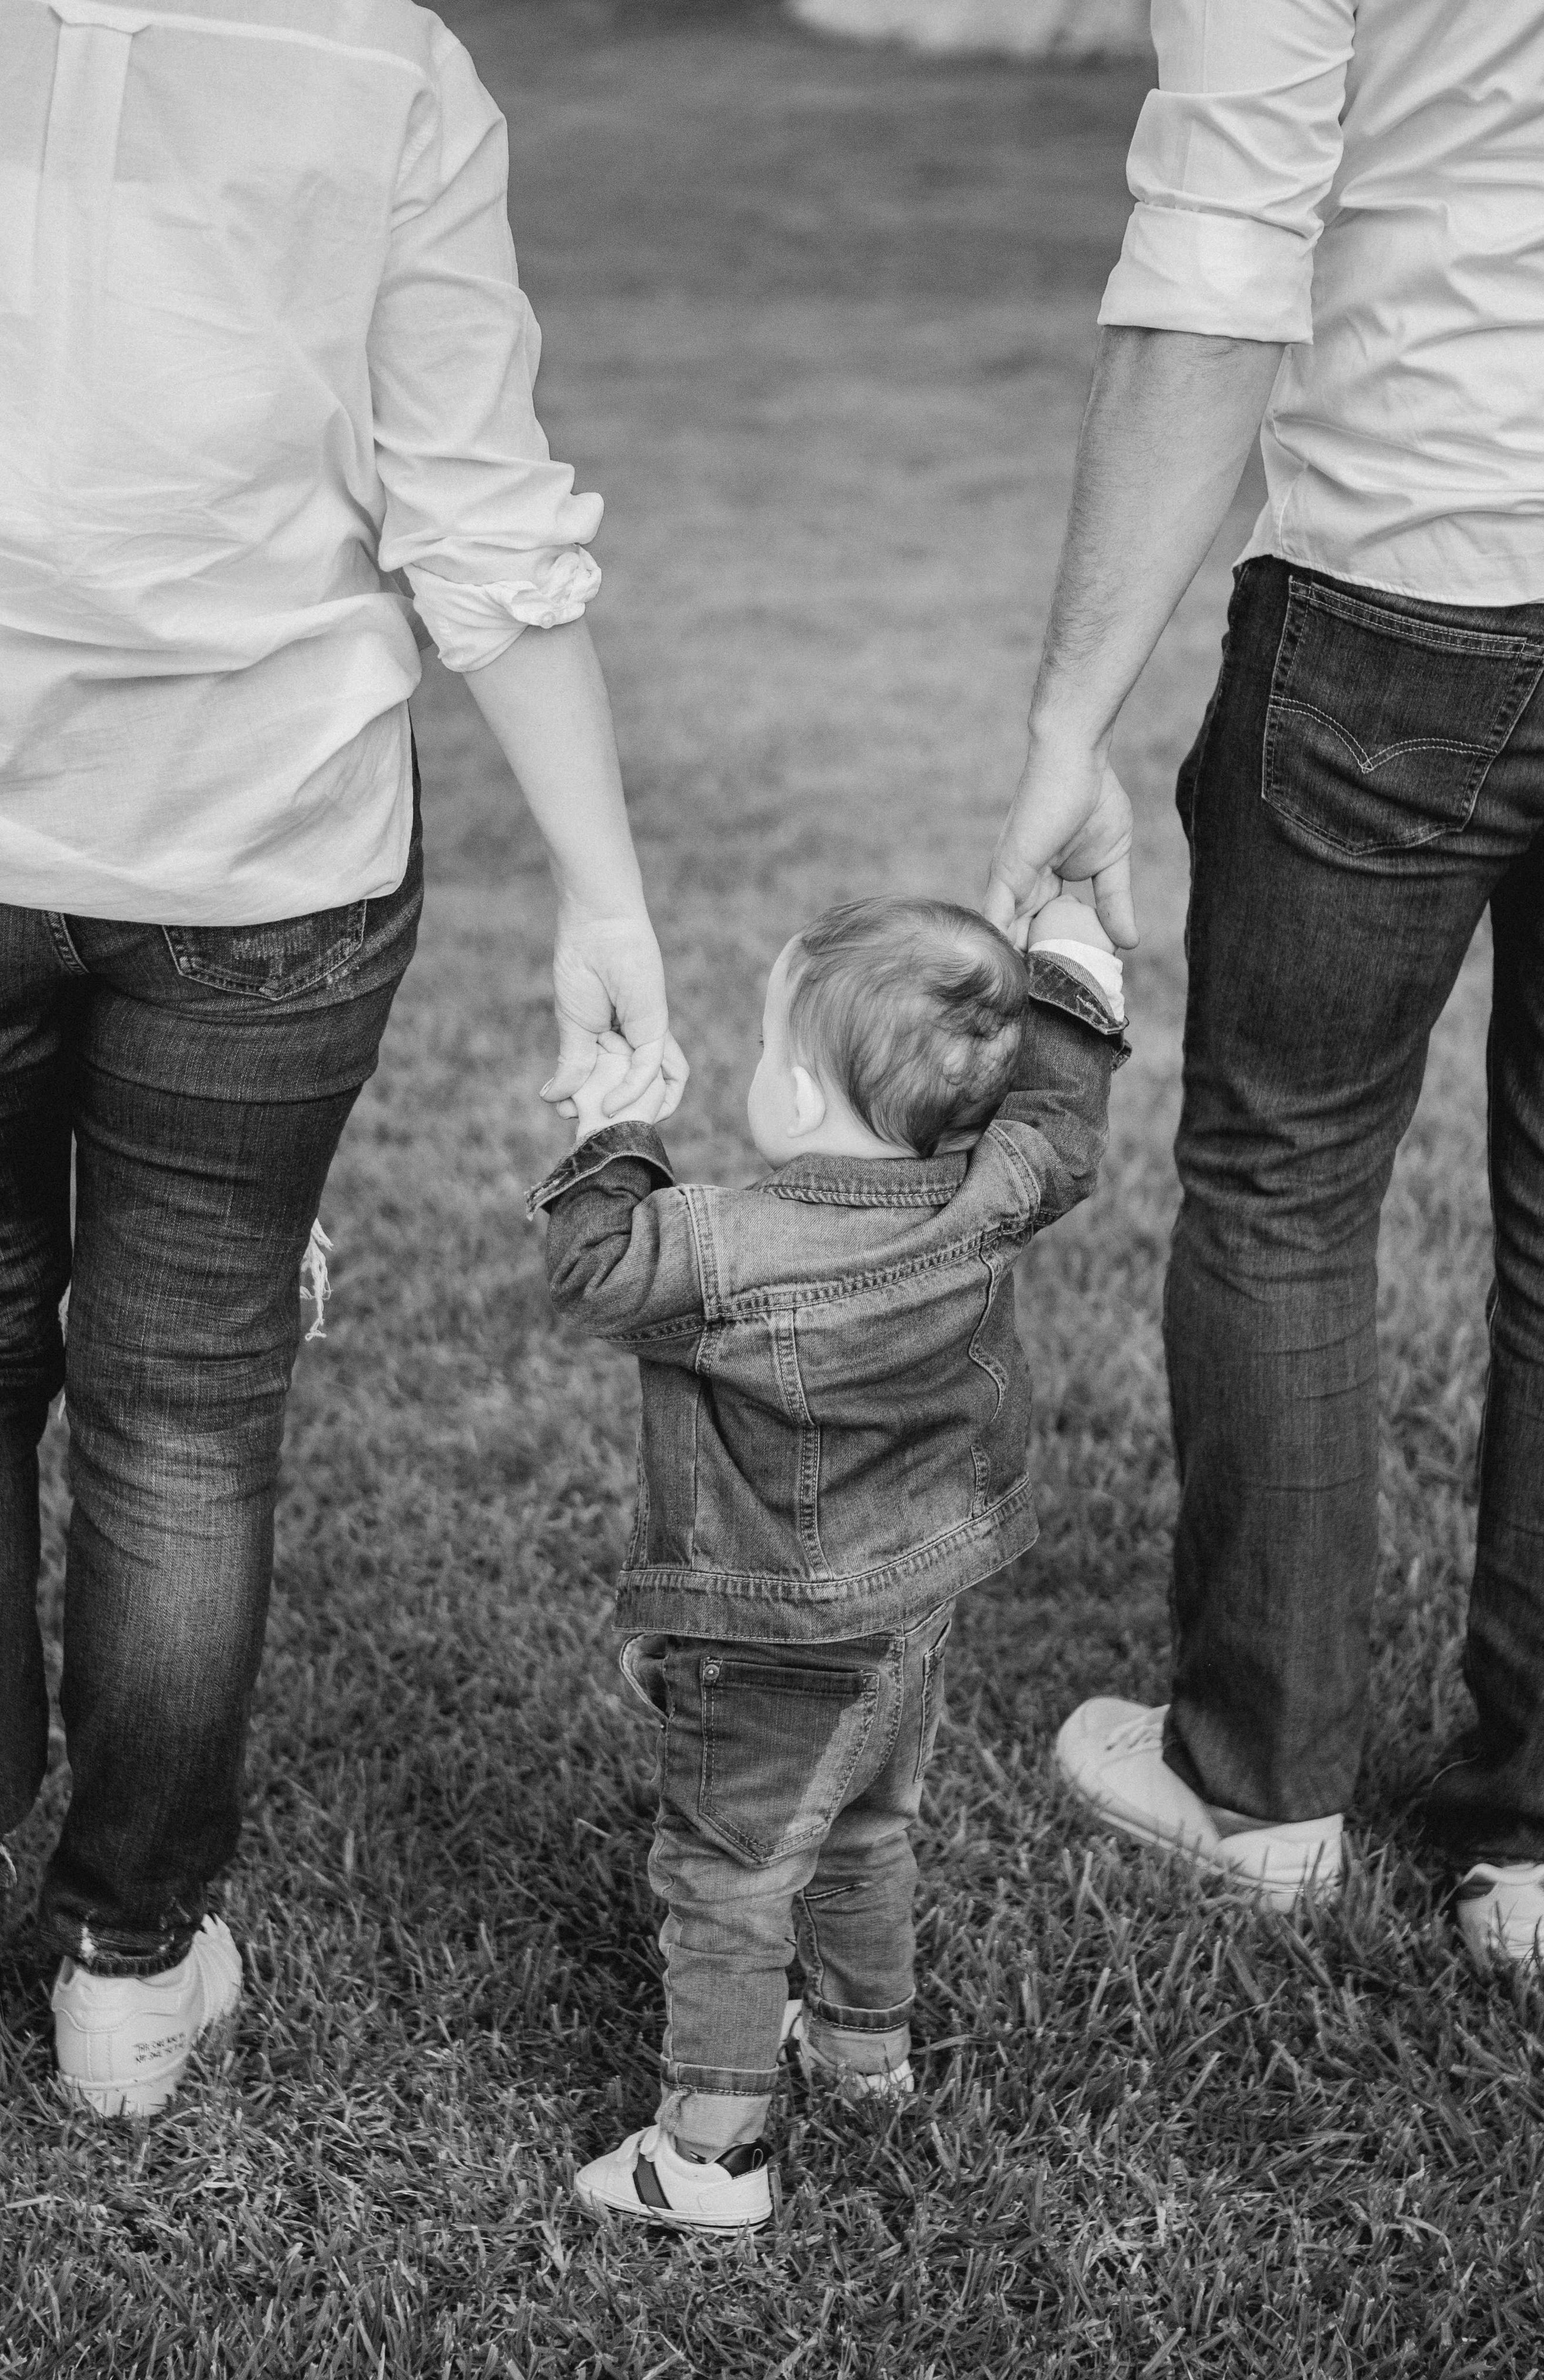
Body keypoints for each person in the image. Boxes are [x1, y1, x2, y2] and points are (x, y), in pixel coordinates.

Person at [1, 0, 684, 2118]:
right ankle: (128, 1970)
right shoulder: (383, 57)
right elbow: (472, 505)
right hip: (267, 840)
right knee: (187, 1402)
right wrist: (605, 897)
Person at [984, 0, 1544, 1964]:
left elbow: (1215, 263)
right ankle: (1538, 1853)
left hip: (1405, 579)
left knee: (1285, 1179)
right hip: (1422, 571)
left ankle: (1260, 1787)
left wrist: (1069, 716)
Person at [527, 892, 1126, 2231]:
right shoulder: (990, 1191)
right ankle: (863, 2051)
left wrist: (613, 1134)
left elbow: (592, 1269)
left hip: (771, 1634)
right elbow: (1061, 1124)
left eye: (762, 1043)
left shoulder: (723, 1243)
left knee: (727, 1875)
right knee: (865, 1822)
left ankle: (709, 2154)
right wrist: (1074, 975)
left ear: (797, 1089)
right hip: (912, 1608)